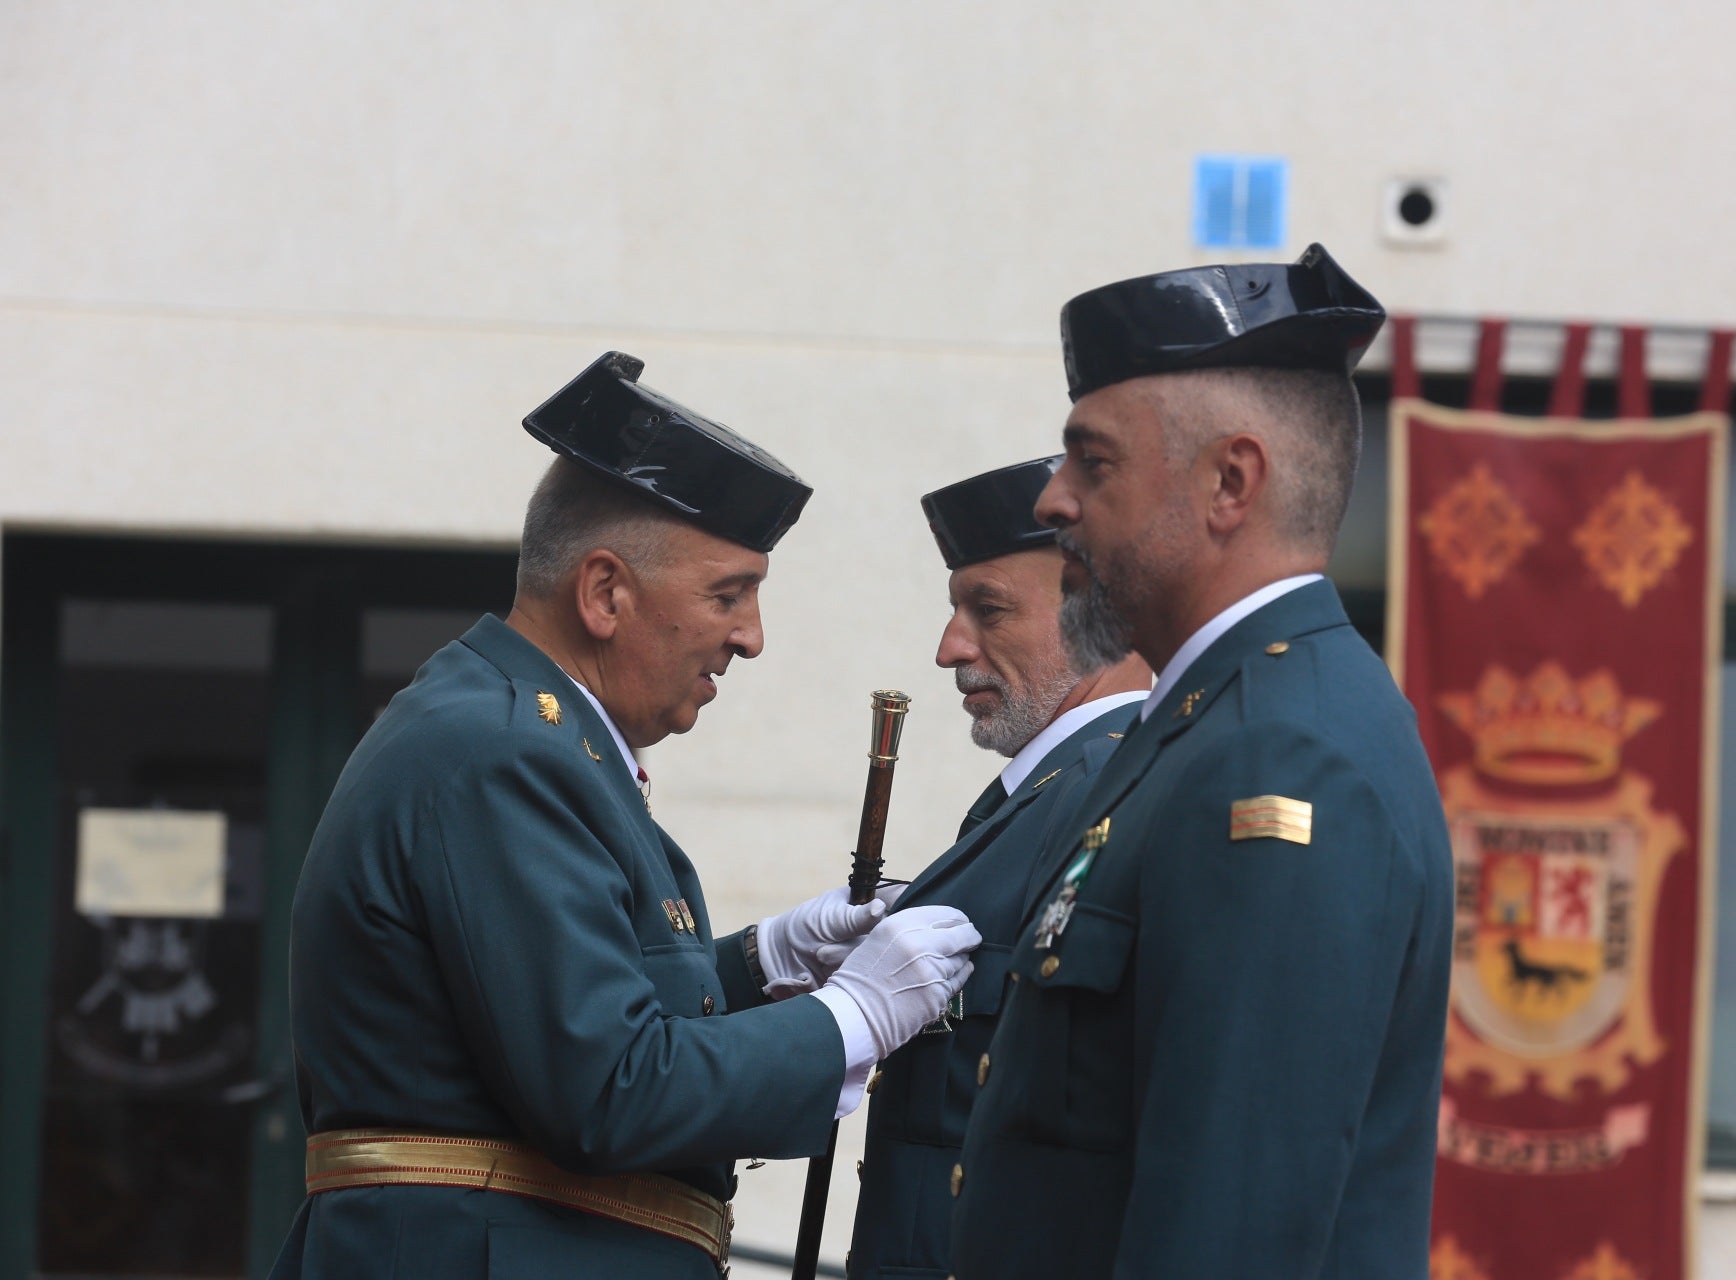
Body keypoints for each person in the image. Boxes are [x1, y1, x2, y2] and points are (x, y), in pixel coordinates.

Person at [269, 352, 980, 1280]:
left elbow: (546, 1021)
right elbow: (607, 1089)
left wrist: (757, 968)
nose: (751, 637)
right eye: (727, 594)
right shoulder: (506, 751)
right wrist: (849, 1017)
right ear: (605, 593)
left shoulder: (515, 732)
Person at [947, 247, 1454, 1278]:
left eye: (1093, 462)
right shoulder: (1204, 722)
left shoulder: (1282, 752)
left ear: (1231, 481)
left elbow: (1232, 1229)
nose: (1052, 499)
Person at [844, 457, 1152, 1280]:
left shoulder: (1101, 798)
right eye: (956, 610)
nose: (950, 648)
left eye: (989, 610)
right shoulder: (1045, 796)